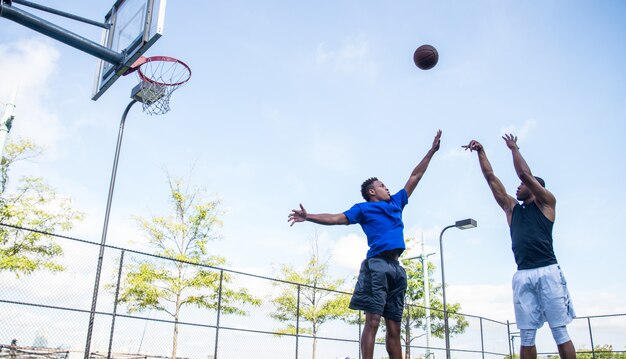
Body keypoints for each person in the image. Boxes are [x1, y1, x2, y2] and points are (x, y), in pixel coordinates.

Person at [288, 130, 442, 359]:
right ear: (372, 192)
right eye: (382, 185)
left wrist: (431, 152)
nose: (387, 188)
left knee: (395, 328)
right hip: (377, 265)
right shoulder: (363, 208)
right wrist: (308, 216)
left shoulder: (396, 203)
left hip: (397, 269)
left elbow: (415, 177)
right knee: (373, 321)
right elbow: (336, 218)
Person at [464, 134, 576, 359]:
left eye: (523, 185)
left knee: (559, 332)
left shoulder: (547, 203)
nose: (518, 186)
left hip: (548, 272)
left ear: (535, 188)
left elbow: (524, 173)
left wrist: (514, 148)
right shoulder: (511, 209)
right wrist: (481, 152)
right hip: (523, 274)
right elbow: (490, 178)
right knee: (526, 336)